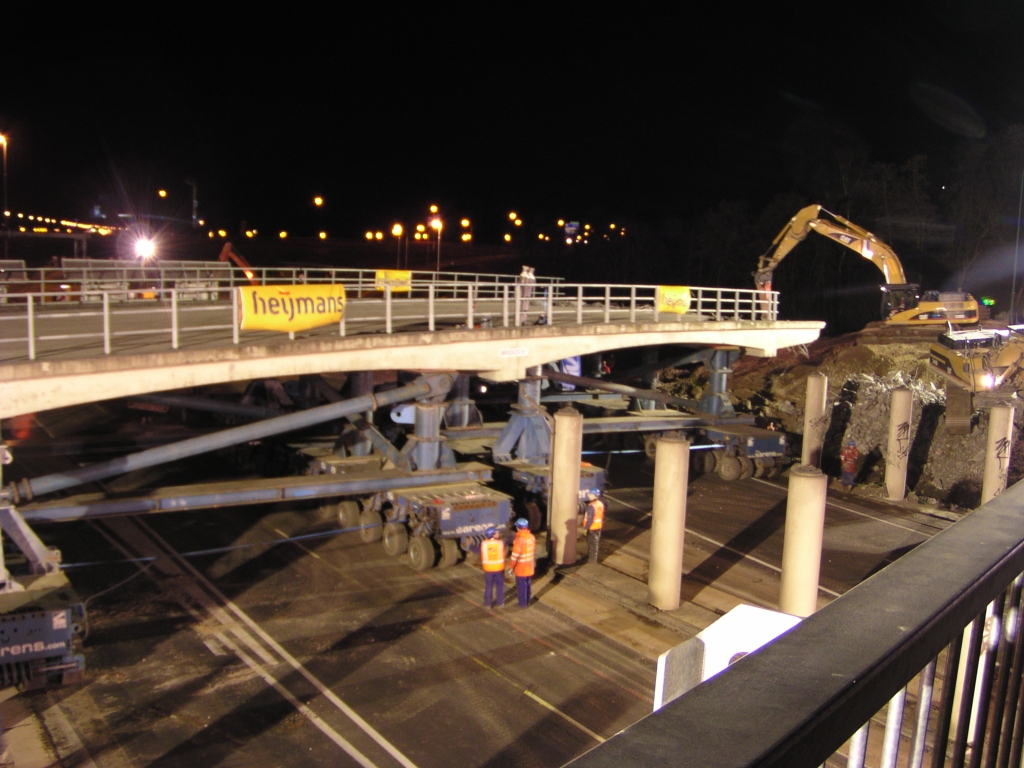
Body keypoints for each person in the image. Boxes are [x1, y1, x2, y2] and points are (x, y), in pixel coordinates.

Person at [508, 518, 536, 607]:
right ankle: (527, 601)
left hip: (521, 568)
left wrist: (511, 567)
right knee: (527, 585)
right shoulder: (531, 537)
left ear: (518, 527)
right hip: (529, 566)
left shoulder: (519, 540)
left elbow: (515, 556)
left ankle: (523, 604)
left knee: (521, 586)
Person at [480, 527, 507, 608]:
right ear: (493, 534)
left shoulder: (484, 544)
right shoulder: (500, 543)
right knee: (500, 586)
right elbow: (504, 554)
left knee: (488, 586)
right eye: (496, 532)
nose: (498, 533)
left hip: (488, 569)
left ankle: (488, 603)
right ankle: (500, 603)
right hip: (499, 568)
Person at [583, 492, 605, 564]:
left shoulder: (591, 506)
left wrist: (586, 528)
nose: (589, 496)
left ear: (594, 496)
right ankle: (593, 559)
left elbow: (590, 519)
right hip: (598, 526)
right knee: (595, 543)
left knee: (591, 544)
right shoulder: (600, 504)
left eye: (590, 494)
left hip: (592, 527)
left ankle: (591, 560)